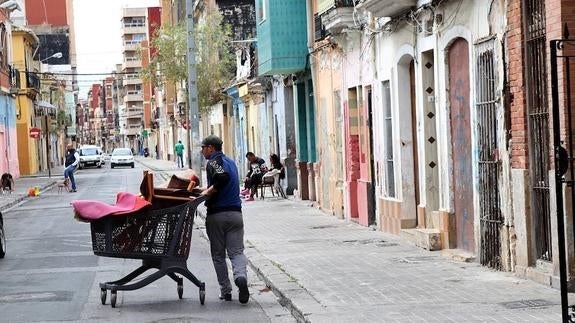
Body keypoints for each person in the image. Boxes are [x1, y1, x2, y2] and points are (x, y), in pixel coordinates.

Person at [199, 135, 249, 304]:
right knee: (236, 252)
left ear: (211, 148)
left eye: (203, 147)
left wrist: (209, 191)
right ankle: (241, 276)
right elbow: (227, 179)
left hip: (217, 215)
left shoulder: (213, 162)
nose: (202, 150)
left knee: (218, 255)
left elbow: (222, 177)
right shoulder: (231, 162)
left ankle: (226, 291)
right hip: (236, 214)